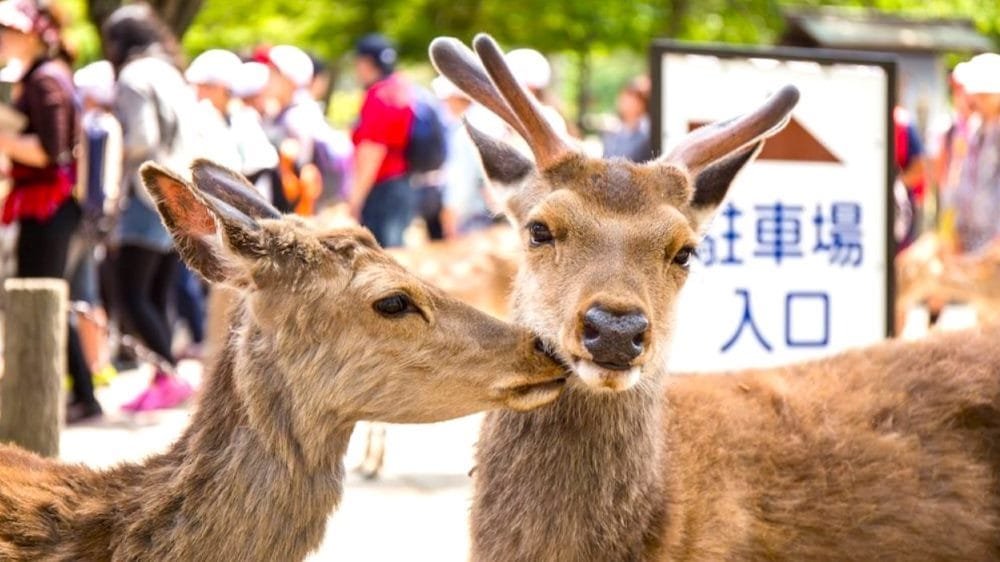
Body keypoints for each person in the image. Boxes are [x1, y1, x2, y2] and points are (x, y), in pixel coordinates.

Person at [0, 0, 102, 422]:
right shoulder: (42, 77)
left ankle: (67, 398)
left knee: (39, 298)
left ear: (31, 34)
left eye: (8, 30)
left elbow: (52, 153)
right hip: (46, 205)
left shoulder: (45, 80)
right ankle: (81, 394)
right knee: (46, 297)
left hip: (52, 206)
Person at [102, 3, 197, 411]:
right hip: (180, 190)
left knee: (131, 293)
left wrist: (110, 139)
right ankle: (164, 377)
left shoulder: (134, 75)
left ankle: (170, 375)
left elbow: (141, 136)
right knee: (157, 293)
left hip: (145, 191)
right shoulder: (171, 72)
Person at [70, 59, 121, 386]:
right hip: (103, 217)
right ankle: (99, 362)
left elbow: (87, 182)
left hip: (85, 218)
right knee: (91, 291)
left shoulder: (93, 125)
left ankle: (92, 365)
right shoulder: (112, 123)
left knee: (83, 291)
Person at [262, 44, 351, 215]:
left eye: (273, 74)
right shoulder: (293, 109)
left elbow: (300, 167)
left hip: (298, 208)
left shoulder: (297, 116)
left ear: (288, 80)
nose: (268, 79)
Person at [347, 33, 414, 247]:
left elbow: (372, 152)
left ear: (366, 63)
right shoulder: (401, 87)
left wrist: (355, 200)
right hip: (402, 186)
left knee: (384, 259)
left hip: (383, 190)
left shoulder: (380, 95)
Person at [431, 76, 492, 238]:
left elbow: (462, 180)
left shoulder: (465, 131)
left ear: (456, 98)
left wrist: (450, 215)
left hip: (470, 215)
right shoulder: (487, 122)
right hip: (485, 212)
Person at [952, 53, 1000, 255]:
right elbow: (964, 179)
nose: (977, 101)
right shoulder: (975, 128)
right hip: (973, 239)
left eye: (984, 95)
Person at [602, 76, 653, 162]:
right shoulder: (611, 134)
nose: (625, 102)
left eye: (631, 98)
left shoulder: (646, 136)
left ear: (641, 104)